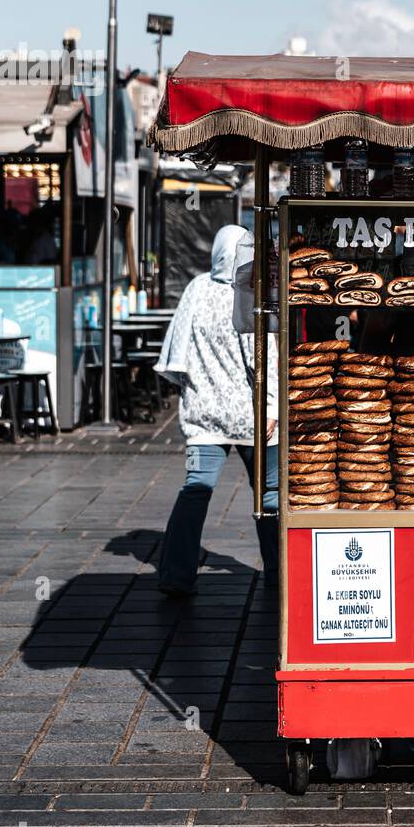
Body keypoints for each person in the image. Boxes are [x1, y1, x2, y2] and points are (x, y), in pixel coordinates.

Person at [155, 224, 278, 596]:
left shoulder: (195, 288)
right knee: (269, 494)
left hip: (204, 415)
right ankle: (278, 572)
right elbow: (263, 358)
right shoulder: (248, 295)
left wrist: (191, 391)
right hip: (251, 417)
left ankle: (175, 574)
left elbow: (177, 350)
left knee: (196, 489)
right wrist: (272, 404)